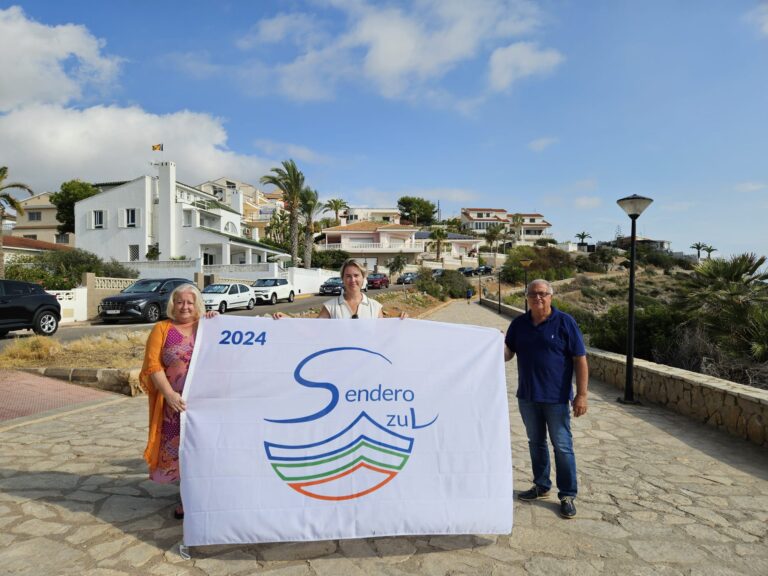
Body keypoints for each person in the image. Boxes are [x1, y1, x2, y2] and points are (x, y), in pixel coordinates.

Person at [504, 279, 588, 519]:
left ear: (551, 296)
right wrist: (491, 345)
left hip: (557, 399)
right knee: (536, 443)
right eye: (532, 294)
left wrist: (581, 395)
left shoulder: (565, 323)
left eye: (542, 294)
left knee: (562, 446)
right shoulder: (519, 324)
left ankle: (567, 494)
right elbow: (508, 353)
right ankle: (541, 486)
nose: (537, 298)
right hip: (528, 397)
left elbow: (580, 359)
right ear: (527, 297)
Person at [139, 283, 215, 520]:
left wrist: (218, 321)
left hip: (204, 405)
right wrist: (169, 395)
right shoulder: (162, 329)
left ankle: (208, 497)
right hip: (174, 405)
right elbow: (153, 365)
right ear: (173, 304)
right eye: (180, 302)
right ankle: (186, 499)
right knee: (180, 451)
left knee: (204, 450)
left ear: (197, 305)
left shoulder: (207, 327)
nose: (185, 307)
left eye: (190, 302)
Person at [274, 258, 407, 319]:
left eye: (356, 275)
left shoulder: (375, 307)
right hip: (340, 369)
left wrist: (401, 322)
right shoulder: (330, 307)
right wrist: (288, 321)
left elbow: (384, 336)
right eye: (348, 276)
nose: (352, 280)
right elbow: (313, 331)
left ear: (363, 278)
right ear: (342, 279)